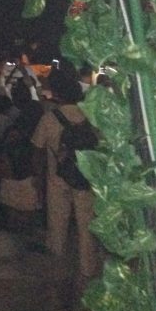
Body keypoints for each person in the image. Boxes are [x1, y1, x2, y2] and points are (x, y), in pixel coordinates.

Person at [31, 68, 99, 282]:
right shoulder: (90, 115)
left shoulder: (49, 118)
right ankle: (87, 272)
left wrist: (37, 180)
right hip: (85, 180)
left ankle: (58, 271)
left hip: (57, 180)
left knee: (57, 227)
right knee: (86, 228)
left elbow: (37, 150)